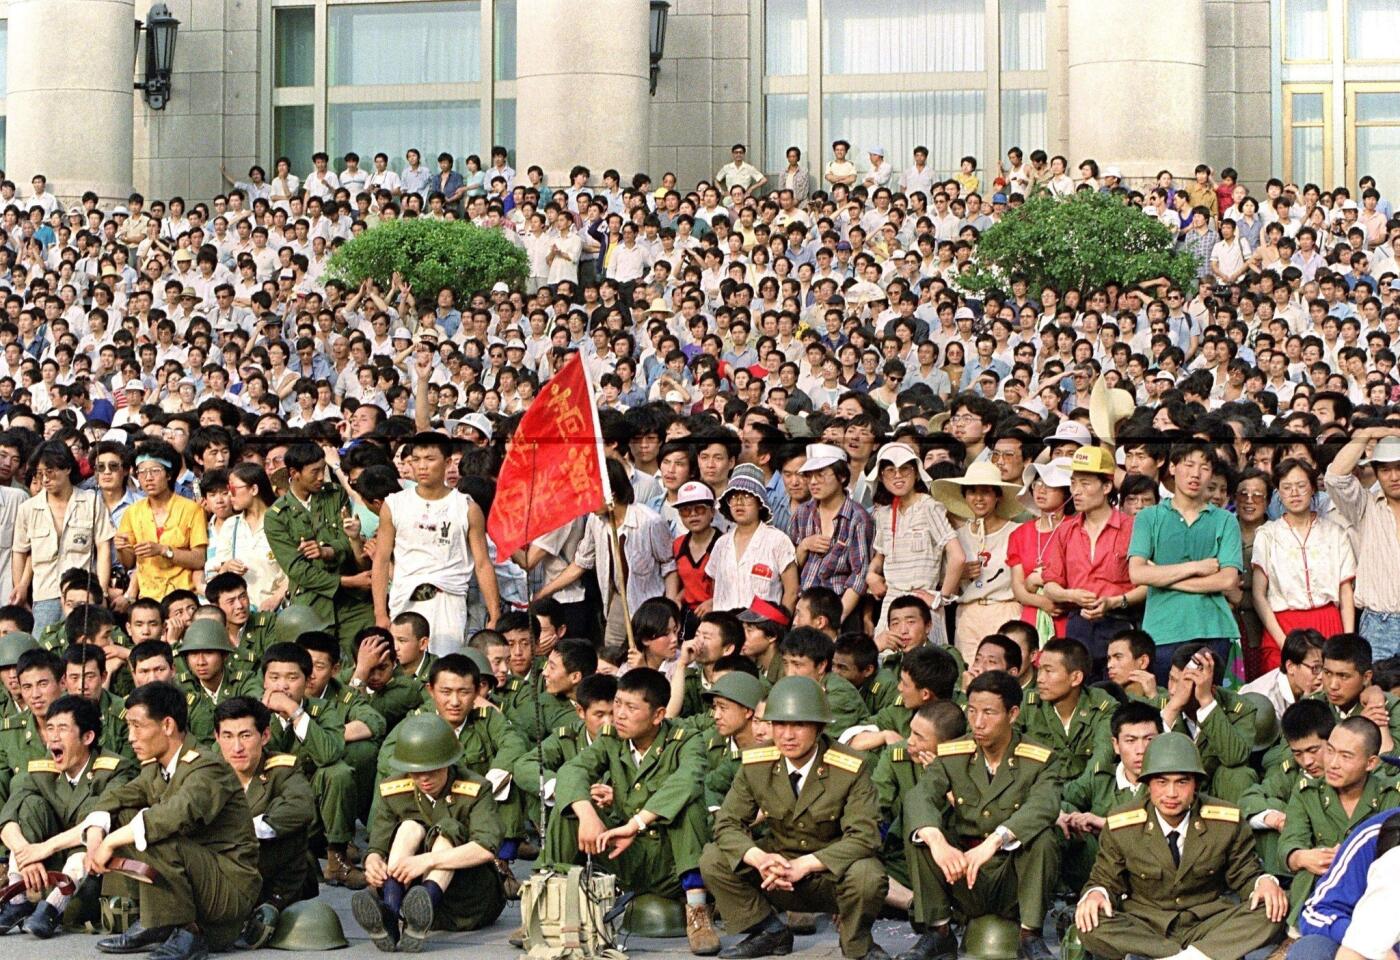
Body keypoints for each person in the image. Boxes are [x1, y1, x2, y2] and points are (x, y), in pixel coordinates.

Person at [700, 676, 889, 960]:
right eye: (779, 724)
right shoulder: (757, 763)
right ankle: (769, 932)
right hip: (775, 872)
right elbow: (727, 823)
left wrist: (806, 864)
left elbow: (865, 836)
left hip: (829, 876)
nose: (787, 735)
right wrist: (758, 858)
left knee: (868, 874)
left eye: (799, 725)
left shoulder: (850, 767)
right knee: (713, 858)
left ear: (820, 727)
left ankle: (856, 944)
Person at [543, 668, 720, 955]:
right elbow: (572, 770)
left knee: (689, 805)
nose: (619, 715)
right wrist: (587, 814)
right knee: (569, 809)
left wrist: (635, 823)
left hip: (671, 862)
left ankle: (698, 913)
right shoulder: (612, 738)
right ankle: (548, 903)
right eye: (618, 704)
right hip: (625, 855)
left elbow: (686, 780)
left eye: (631, 707)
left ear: (658, 715)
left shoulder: (685, 740)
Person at [83, 682, 263, 960]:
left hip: (229, 888)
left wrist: (111, 841)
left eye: (137, 726)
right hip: (198, 877)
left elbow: (175, 815)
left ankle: (188, 932)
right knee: (124, 817)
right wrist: (96, 832)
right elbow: (118, 796)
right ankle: (154, 920)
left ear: (167, 725)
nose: (130, 737)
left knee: (154, 830)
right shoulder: (158, 767)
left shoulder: (207, 766)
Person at [1073, 732, 1288, 960]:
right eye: (1162, 782)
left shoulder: (1225, 821)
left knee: (1272, 908)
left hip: (1208, 923)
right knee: (1089, 922)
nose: (1171, 793)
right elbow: (1104, 879)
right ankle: (1200, 956)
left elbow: (1246, 874)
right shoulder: (1121, 824)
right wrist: (1097, 894)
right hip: (1146, 926)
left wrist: (1263, 883)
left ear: (1195, 784)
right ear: (1147, 785)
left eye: (1182, 782)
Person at [901, 671, 1059, 960]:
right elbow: (920, 796)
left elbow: (1044, 806)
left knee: (1043, 837)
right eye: (972, 711)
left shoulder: (1038, 759)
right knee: (921, 833)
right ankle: (939, 932)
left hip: (1012, 876)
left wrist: (996, 841)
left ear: (1012, 714)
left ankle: (1030, 935)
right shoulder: (953, 753)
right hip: (962, 874)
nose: (978, 722)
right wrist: (936, 840)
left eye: (989, 713)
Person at [352, 714, 507, 953]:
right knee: (408, 828)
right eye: (415, 772)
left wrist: (428, 860)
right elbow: (377, 847)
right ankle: (392, 914)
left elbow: (486, 848)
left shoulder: (476, 789)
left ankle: (426, 899)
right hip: (408, 892)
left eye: (432, 770)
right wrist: (373, 863)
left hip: (468, 900)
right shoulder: (393, 790)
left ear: (448, 762)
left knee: (447, 830)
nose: (423, 779)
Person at [0, 695, 137, 937]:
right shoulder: (42, 769)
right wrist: (26, 855)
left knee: (95, 807)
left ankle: (53, 907)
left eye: (63, 729)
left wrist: (43, 848)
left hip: (90, 876)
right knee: (30, 805)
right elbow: (7, 818)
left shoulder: (115, 770)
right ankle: (17, 899)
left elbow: (97, 821)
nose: (53, 736)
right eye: (50, 728)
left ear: (87, 737)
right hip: (45, 871)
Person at [1127, 441, 1244, 682]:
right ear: (1172, 467)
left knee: (1209, 705)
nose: (1195, 474)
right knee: (1166, 704)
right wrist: (1197, 568)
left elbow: (1228, 579)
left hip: (1214, 628)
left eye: (1204, 467)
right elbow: (1137, 574)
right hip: (1162, 630)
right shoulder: (1149, 517)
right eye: (1188, 465)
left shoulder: (1225, 520)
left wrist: (1161, 576)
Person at [373, 432, 499, 652]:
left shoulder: (467, 508)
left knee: (445, 668)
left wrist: (494, 614)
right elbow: (382, 560)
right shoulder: (394, 504)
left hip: (448, 601)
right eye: (416, 459)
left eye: (430, 459)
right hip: (405, 599)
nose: (422, 466)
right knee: (403, 667)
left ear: (448, 462)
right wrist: (380, 613)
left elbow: (482, 563)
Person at [1279, 717, 1400, 926]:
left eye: (1346, 756)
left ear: (1371, 762)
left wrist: (1350, 858)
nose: (1333, 764)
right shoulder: (1307, 792)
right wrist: (1302, 857)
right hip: (1321, 901)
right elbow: (1289, 843)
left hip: (1374, 896)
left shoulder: (1390, 794)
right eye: (1330, 751)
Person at [265, 442, 374, 660]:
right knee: (318, 664)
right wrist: (347, 581)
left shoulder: (335, 495)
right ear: (294, 473)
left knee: (363, 657)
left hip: (353, 603)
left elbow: (349, 538)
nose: (321, 477)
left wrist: (328, 551)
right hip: (312, 605)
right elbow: (298, 570)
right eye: (314, 472)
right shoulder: (276, 516)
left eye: (323, 469)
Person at [212, 696, 318, 916]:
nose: (237, 747)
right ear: (217, 737)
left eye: (246, 735)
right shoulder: (209, 772)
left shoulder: (282, 768)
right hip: (224, 869)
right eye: (228, 736)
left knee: (285, 823)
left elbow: (302, 807)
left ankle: (271, 906)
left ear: (265, 736)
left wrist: (247, 829)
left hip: (273, 873)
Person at [1041, 447, 1144, 669]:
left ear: (1107, 486)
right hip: (1078, 622)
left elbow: (1148, 584)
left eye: (1085, 484)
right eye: (1073, 483)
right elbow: (1050, 585)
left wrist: (1115, 601)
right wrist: (1071, 595)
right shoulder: (1065, 531)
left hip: (1121, 623)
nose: (1076, 491)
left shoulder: (1132, 528)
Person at [1252, 459, 1356, 675]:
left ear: (1313, 487)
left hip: (1327, 621)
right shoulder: (1268, 535)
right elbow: (1258, 595)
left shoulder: (1335, 533)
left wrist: (1347, 640)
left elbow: (1345, 591)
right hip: (1283, 625)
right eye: (1286, 488)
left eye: (1301, 486)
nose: (1294, 493)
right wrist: (1284, 643)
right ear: (1278, 493)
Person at [12, 441, 114, 631]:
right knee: (44, 649)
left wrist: (103, 590)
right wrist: (21, 589)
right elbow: (20, 551)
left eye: (49, 472)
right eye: (39, 474)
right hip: (45, 594)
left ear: (67, 468)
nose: (44, 480)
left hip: (82, 593)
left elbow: (103, 548)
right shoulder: (28, 508)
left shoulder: (90, 501)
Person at [866, 442, 963, 639]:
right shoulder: (883, 514)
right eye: (890, 470)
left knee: (925, 664)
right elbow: (879, 557)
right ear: (881, 476)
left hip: (922, 604)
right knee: (887, 661)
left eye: (905, 469)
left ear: (917, 473)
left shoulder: (929, 507)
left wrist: (941, 598)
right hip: (891, 606)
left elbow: (958, 557)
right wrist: (871, 575)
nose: (898, 476)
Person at [932, 461, 1023, 663]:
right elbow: (944, 588)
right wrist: (958, 574)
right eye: (972, 491)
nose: (978, 498)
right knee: (969, 674)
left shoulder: (1016, 532)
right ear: (964, 496)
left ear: (998, 495)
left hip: (1005, 609)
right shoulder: (956, 537)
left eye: (986, 492)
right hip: (967, 614)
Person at [1325, 428, 1400, 659]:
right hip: (1380, 623)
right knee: (1377, 693)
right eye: (1386, 470)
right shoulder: (1365, 505)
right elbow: (1334, 477)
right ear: (1376, 473)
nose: (1394, 476)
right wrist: (1369, 432)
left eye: (1399, 468)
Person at [115, 442, 207, 602]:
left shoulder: (192, 509)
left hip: (182, 595)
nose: (148, 478)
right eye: (141, 472)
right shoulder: (132, 512)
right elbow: (129, 563)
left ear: (169, 474)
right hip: (148, 596)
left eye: (155, 471)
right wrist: (122, 549)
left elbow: (199, 559)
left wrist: (163, 550)